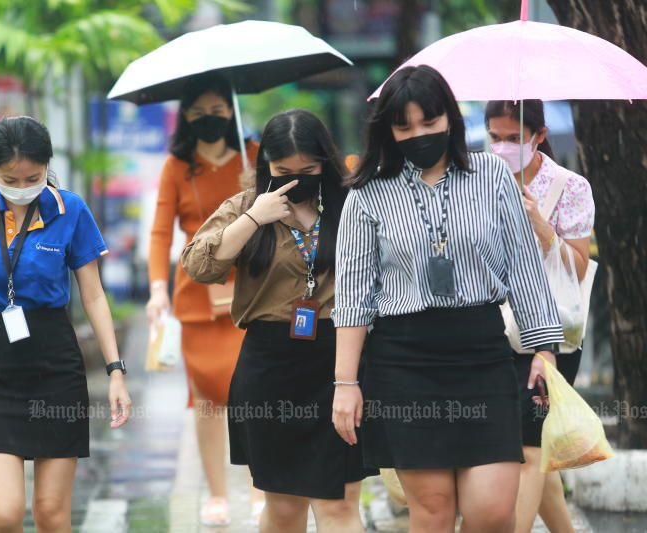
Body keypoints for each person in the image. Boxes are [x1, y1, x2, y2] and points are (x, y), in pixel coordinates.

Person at [331, 65, 565, 533]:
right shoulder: (366, 195)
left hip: (482, 353)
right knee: (434, 511)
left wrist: (545, 350)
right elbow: (354, 294)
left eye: (430, 121)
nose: (419, 134)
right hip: (403, 363)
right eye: (404, 126)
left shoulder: (493, 176)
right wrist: (345, 384)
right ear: (388, 131)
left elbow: (524, 267)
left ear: (451, 120)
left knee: (492, 512)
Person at [0, 116, 131, 532]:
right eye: (10, 179)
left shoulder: (70, 209)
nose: (21, 187)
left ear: (47, 165)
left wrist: (115, 371)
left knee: (52, 514)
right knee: (3, 514)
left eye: (32, 177)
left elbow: (92, 295)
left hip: (55, 365)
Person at [182, 109, 376, 533]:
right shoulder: (248, 205)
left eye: (308, 169)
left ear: (325, 160)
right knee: (284, 509)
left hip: (338, 361)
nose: (297, 178)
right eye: (283, 170)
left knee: (340, 505)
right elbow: (198, 264)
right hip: (270, 366)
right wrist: (254, 218)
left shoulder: (350, 203)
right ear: (265, 164)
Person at [145, 72, 262, 526]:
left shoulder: (254, 158)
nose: (209, 119)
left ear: (231, 111)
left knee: (251, 391)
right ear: (185, 118)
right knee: (209, 398)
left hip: (250, 289)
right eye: (199, 113)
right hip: (195, 294)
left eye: (218, 111)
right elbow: (159, 234)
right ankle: (216, 493)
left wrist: (259, 183)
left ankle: (257, 485)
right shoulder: (177, 168)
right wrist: (157, 289)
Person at [486, 99, 595, 533]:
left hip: (550, 336)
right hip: (493, 330)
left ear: (539, 136)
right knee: (527, 446)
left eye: (513, 138)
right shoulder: (480, 181)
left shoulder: (569, 186)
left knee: (528, 448)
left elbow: (581, 266)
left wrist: (542, 226)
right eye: (494, 137)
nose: (502, 146)